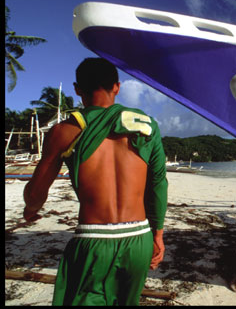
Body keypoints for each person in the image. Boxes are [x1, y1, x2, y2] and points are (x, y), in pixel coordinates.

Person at [23, 57, 168, 306]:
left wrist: (30, 209)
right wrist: (158, 235)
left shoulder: (64, 132)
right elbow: (158, 185)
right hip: (139, 239)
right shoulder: (146, 126)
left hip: (94, 240)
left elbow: (36, 193)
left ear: (77, 89)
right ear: (117, 87)